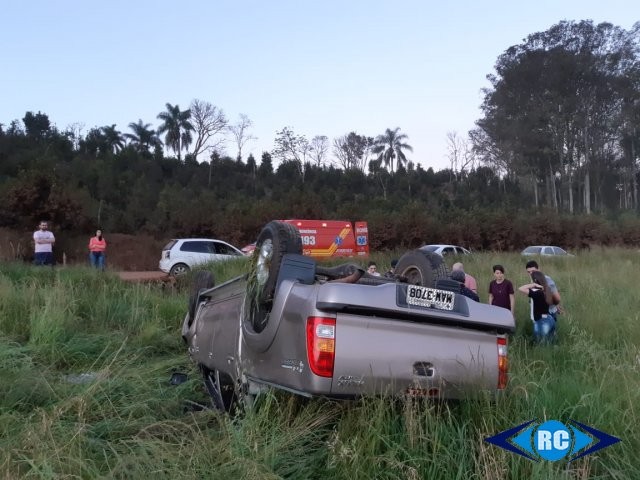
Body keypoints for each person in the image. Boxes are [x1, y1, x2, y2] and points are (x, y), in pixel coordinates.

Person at [518, 270, 555, 344]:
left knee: (540, 345)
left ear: (535, 280)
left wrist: (534, 284)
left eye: (532, 279)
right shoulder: (547, 290)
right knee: (549, 344)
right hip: (550, 319)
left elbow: (521, 288)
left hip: (541, 321)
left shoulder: (537, 293)